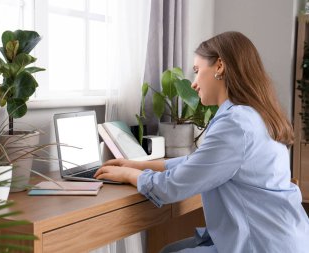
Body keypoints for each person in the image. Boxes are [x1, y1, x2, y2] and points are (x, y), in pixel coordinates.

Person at [94, 31, 309, 253]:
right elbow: (198, 163)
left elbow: (171, 187)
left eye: (197, 71)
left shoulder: (235, 123)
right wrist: (138, 165)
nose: (194, 84)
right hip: (285, 238)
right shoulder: (253, 115)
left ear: (219, 66)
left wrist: (130, 175)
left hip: (261, 244)